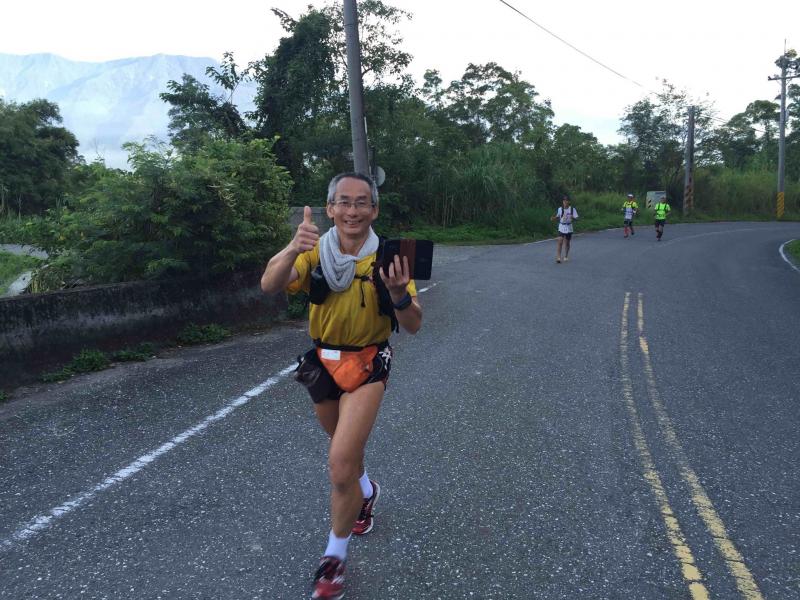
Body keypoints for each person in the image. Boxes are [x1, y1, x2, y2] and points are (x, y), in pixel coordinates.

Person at [260, 172, 422, 600]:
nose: (353, 211)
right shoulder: (314, 252)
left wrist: (398, 293)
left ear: (375, 210)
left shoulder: (389, 258)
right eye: (344, 202)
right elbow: (270, 285)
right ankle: (367, 491)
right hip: (324, 364)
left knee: (339, 463)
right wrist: (292, 248)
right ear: (330, 208)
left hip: (368, 363)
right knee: (345, 456)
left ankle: (334, 558)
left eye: (362, 202)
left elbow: (414, 324)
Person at [551, 195, 579, 263]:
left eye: (566, 200)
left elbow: (577, 218)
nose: (565, 202)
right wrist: (554, 218)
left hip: (569, 227)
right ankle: (558, 257)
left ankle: (566, 256)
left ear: (569, 201)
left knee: (567, 243)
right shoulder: (560, 209)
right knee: (560, 241)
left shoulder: (572, 209)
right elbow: (558, 216)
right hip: (562, 226)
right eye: (564, 200)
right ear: (562, 201)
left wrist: (573, 217)